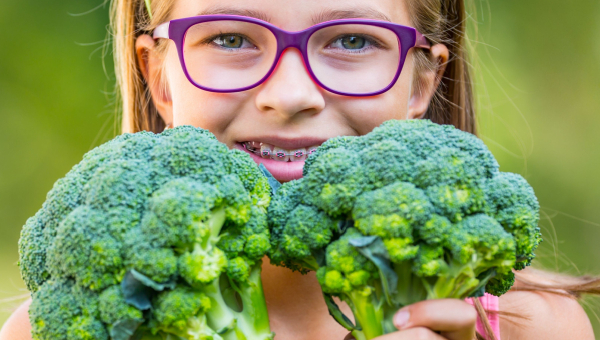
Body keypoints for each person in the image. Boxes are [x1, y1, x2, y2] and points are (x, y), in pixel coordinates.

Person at [1, 0, 598, 339]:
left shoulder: (530, 328)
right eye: (231, 38)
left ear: (423, 81)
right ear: (158, 77)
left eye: (354, 41)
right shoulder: (54, 331)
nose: (289, 95)